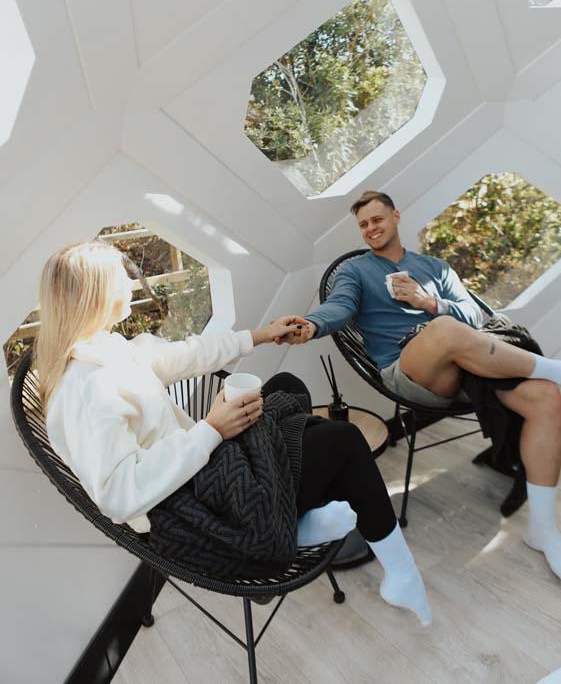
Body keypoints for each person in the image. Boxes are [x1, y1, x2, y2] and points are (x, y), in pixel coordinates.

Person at [36, 240, 432, 625]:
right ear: (94, 294)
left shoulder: (108, 349)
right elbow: (119, 495)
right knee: (343, 441)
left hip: (195, 467)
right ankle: (398, 572)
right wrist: (212, 429)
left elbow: (187, 355)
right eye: (119, 278)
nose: (130, 283)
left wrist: (260, 334)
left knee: (287, 386)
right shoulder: (86, 388)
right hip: (184, 504)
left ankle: (291, 524)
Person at [285, 190, 561, 582]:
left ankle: (542, 529)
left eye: (377, 219)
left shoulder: (435, 267)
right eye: (363, 225)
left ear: (396, 216)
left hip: (466, 368)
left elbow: (476, 315)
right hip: (407, 369)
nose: (371, 229)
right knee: (444, 330)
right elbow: (340, 307)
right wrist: (312, 325)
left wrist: (429, 302)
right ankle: (555, 369)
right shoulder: (356, 271)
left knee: (547, 398)